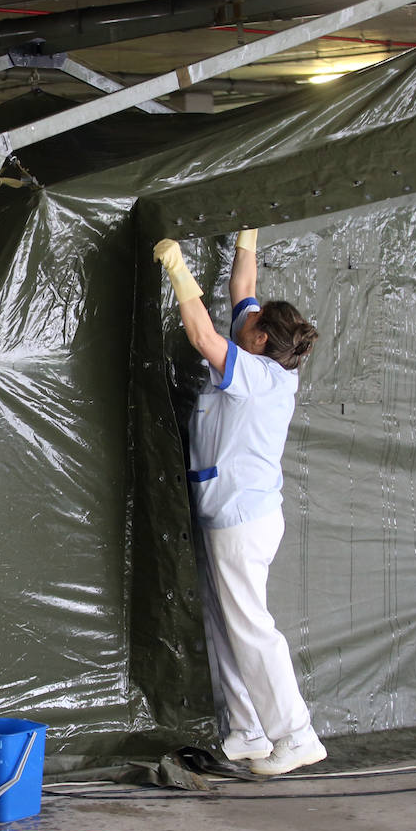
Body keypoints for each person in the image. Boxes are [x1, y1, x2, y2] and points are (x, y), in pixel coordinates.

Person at [153, 229, 324, 777]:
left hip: (240, 521)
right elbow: (243, 286)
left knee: (249, 625)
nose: (243, 316)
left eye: (250, 322)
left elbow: (202, 335)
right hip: (231, 513)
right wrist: (248, 235)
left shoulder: (253, 376)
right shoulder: (262, 355)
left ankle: (295, 735)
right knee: (224, 623)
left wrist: (179, 270)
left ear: (258, 343)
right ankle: (246, 731)